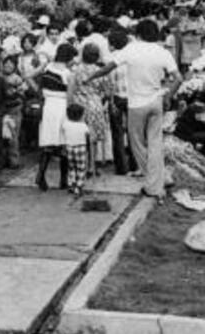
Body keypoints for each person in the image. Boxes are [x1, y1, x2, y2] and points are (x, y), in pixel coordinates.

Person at [93, 20, 181, 200]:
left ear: (138, 34)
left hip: (136, 104)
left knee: (137, 145)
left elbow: (108, 68)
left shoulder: (131, 49)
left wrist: (89, 77)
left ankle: (154, 185)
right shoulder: (163, 52)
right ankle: (162, 178)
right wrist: (168, 96)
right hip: (156, 101)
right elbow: (178, 79)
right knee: (155, 143)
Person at [36, 43, 77, 191]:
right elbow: (70, 97)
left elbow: (34, 80)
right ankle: (63, 180)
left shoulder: (47, 68)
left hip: (48, 106)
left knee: (48, 141)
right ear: (69, 57)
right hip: (61, 106)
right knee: (64, 142)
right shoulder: (68, 74)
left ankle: (41, 175)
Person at [67, 43, 112, 175]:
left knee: (80, 137)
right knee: (93, 138)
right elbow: (107, 92)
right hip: (95, 104)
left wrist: (69, 105)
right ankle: (92, 166)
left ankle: (81, 165)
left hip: (79, 105)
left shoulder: (76, 70)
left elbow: (71, 89)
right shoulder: (100, 71)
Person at [107, 29, 136, 175]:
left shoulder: (111, 59)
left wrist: (110, 101)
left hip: (117, 98)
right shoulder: (133, 57)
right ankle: (135, 164)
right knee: (133, 132)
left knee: (117, 133)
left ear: (112, 44)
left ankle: (121, 167)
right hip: (133, 97)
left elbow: (110, 84)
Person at [61, 103, 91, 197]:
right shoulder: (83, 126)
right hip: (81, 148)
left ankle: (71, 184)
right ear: (81, 115)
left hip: (69, 147)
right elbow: (88, 135)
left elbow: (63, 132)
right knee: (81, 168)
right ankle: (79, 186)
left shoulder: (66, 124)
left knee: (71, 167)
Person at [2, 56, 26, 168]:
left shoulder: (17, 79)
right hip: (1, 110)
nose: (8, 65)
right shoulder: (0, 77)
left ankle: (13, 161)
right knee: (3, 137)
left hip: (14, 109)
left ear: (15, 66)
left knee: (13, 136)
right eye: (6, 63)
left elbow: (21, 95)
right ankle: (3, 160)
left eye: (11, 63)